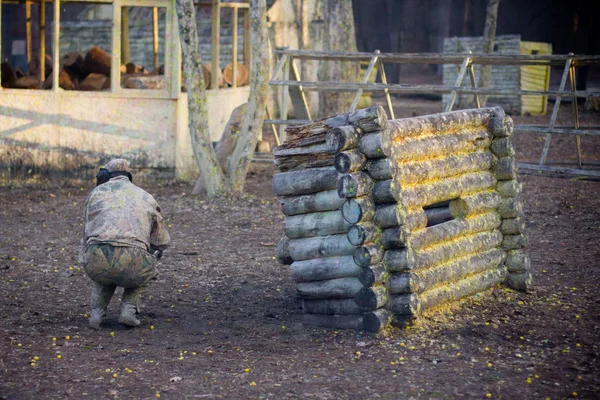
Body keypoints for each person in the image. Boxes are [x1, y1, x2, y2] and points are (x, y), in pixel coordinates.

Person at [79, 159, 170, 329]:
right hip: (133, 262)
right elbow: (163, 240)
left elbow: (85, 233)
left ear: (106, 175)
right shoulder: (146, 196)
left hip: (95, 260)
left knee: (104, 266)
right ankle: (129, 310)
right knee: (146, 267)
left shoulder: (95, 194)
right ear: (128, 176)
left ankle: (96, 314)